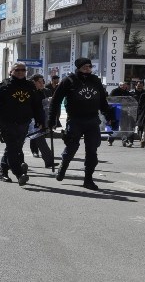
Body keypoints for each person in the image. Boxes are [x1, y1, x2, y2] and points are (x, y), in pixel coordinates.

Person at [47, 58, 112, 190]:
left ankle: (88, 179)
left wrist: (108, 115)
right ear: (78, 67)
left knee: (92, 151)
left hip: (92, 120)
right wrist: (52, 119)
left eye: (89, 66)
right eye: (85, 67)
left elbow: (102, 100)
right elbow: (55, 101)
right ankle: (64, 165)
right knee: (71, 147)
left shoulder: (95, 80)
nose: (88, 69)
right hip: (75, 120)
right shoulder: (69, 81)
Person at [0, 63, 44, 185]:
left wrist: (40, 120)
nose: (20, 72)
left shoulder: (30, 86)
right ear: (11, 71)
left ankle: (3, 171)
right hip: (7, 123)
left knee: (15, 148)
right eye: (17, 70)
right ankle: (19, 173)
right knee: (12, 148)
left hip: (24, 122)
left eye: (23, 70)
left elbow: (36, 105)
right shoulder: (4, 85)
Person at [27, 73, 56, 168]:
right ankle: (9, 162)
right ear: (33, 82)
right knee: (17, 143)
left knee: (40, 140)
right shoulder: (28, 92)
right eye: (39, 82)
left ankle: (49, 162)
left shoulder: (41, 92)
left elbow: (42, 107)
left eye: (42, 82)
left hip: (37, 120)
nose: (42, 84)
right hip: (27, 120)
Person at [107, 82, 132, 146]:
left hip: (124, 111)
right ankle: (110, 140)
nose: (124, 87)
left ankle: (124, 141)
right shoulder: (114, 91)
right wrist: (119, 101)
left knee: (124, 127)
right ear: (119, 85)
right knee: (115, 127)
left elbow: (130, 101)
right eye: (122, 85)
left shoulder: (127, 92)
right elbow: (110, 99)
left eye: (125, 85)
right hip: (116, 110)